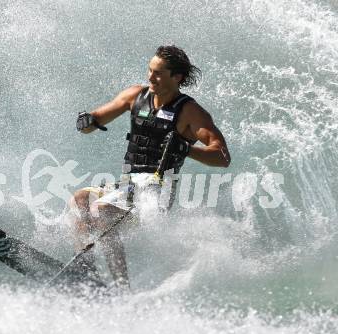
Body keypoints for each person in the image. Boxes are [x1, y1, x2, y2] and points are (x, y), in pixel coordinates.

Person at [70, 45, 231, 289]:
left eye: (158, 73)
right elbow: (96, 119)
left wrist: (187, 149)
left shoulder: (190, 112)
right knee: (80, 200)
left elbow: (222, 157)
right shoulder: (136, 96)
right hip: (129, 184)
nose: (150, 77)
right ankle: (86, 273)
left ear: (176, 77)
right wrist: (87, 122)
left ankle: (121, 288)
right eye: (149, 70)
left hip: (157, 191)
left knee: (101, 211)